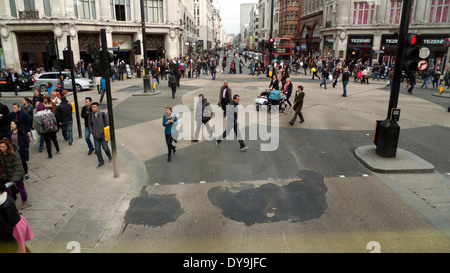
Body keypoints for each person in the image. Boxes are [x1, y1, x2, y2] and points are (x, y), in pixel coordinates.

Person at [0, 182, 33, 253]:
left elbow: (9, 223)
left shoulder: (5, 204)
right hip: (16, 224)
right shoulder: (4, 197)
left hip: (15, 228)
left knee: (19, 246)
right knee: (21, 245)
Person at [0, 138, 28, 210]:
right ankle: (12, 204)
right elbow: (3, 167)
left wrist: (14, 180)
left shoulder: (14, 154)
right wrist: (3, 175)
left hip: (17, 175)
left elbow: (18, 168)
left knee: (21, 188)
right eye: (0, 147)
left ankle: (24, 201)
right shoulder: (2, 154)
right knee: (7, 191)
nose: (1, 148)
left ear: (8, 146)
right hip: (8, 176)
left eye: (3, 147)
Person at [88, 102, 112, 168]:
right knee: (97, 150)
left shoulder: (103, 114)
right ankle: (101, 161)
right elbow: (89, 124)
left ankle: (109, 156)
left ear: (98, 107)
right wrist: (92, 132)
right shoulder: (90, 116)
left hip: (103, 134)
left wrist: (104, 131)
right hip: (95, 135)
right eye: (92, 107)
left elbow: (107, 123)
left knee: (105, 147)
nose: (93, 108)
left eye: (94, 107)